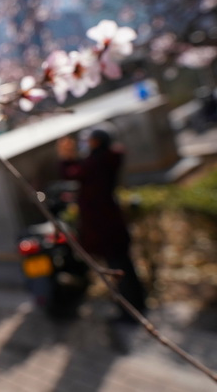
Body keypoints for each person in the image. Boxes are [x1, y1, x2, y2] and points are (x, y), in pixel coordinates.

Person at [57, 130, 147, 323]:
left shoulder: (97, 162)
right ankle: (138, 303)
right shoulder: (105, 159)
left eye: (90, 140)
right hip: (113, 221)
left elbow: (73, 173)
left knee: (119, 269)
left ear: (97, 142)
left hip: (103, 226)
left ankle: (130, 312)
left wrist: (66, 157)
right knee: (125, 266)